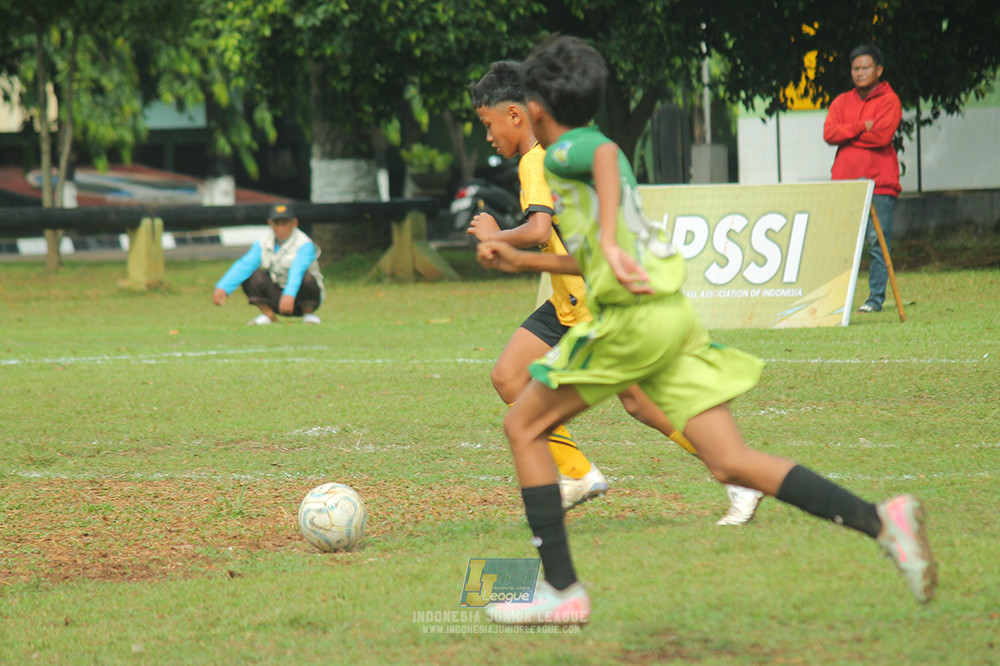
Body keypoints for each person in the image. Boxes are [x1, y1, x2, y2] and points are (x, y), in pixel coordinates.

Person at [478, 36, 935, 626]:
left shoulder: (564, 151)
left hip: (630, 324)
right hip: (667, 316)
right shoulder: (576, 153)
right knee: (732, 462)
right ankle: (881, 519)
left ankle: (561, 589)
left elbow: (605, 162)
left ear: (535, 106)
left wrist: (609, 241)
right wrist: (528, 261)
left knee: (522, 422)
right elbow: (595, 244)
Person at [467, 60, 762, 522]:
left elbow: (539, 227)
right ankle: (579, 473)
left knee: (642, 404)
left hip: (589, 301)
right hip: (566, 299)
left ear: (515, 116)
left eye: (488, 125)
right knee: (508, 376)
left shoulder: (533, 161)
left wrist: (496, 234)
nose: (488, 137)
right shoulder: (547, 154)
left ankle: (737, 477)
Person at [823, 44, 902, 313]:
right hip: (844, 183)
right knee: (842, 242)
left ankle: (874, 299)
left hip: (880, 182)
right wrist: (860, 126)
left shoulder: (890, 101)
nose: (859, 73)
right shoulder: (841, 101)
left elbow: (882, 136)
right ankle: (837, 300)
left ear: (879, 70)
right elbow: (829, 134)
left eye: (865, 67)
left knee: (877, 242)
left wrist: (848, 134)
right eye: (855, 68)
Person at [212, 203, 325, 325]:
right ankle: (269, 316)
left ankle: (308, 314)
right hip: (277, 295)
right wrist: (223, 287)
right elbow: (245, 264)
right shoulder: (263, 243)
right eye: (277, 224)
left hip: (302, 297)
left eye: (285, 223)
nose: (281, 228)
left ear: (294, 223)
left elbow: (297, 270)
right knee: (253, 276)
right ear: (270, 224)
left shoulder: (304, 244)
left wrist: (289, 294)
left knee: (307, 278)